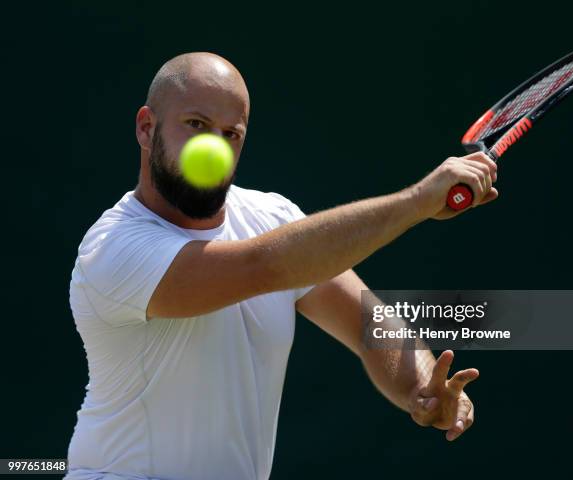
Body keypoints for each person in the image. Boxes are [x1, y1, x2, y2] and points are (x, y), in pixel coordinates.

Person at [65, 52, 498, 480]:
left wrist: (420, 388)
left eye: (230, 133)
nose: (214, 146)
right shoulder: (115, 249)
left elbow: (368, 322)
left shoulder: (270, 218)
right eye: (196, 125)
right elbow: (264, 267)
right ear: (147, 127)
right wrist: (415, 203)